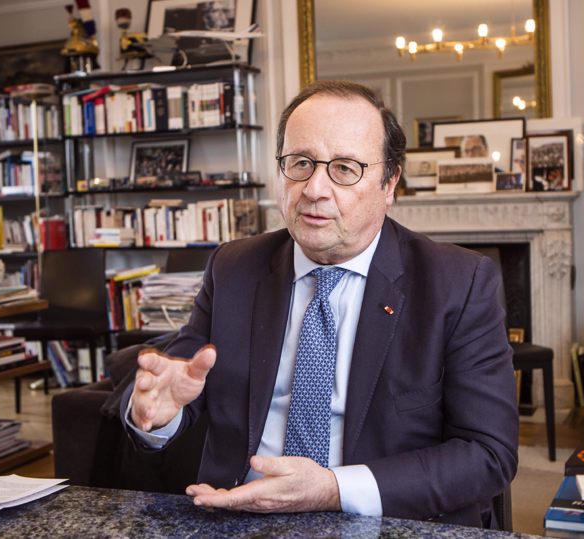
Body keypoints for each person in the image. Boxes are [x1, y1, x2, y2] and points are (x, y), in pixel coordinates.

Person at [120, 80, 518, 527]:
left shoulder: (457, 282)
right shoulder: (234, 267)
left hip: (383, 521)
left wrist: (333, 488)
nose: (314, 189)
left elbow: (487, 455)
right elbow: (182, 385)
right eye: (301, 163)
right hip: (238, 517)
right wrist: (156, 415)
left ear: (389, 184)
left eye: (345, 168)